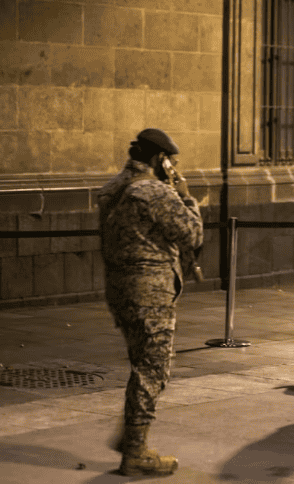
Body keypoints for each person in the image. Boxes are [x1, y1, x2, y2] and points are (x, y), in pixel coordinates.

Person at [98, 128, 204, 476]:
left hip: (120, 289)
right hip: (150, 293)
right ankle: (136, 451)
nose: (172, 166)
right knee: (153, 368)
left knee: (140, 362)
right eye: (170, 160)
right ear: (161, 160)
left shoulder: (114, 188)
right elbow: (192, 234)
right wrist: (186, 197)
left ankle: (131, 434)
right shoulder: (154, 191)